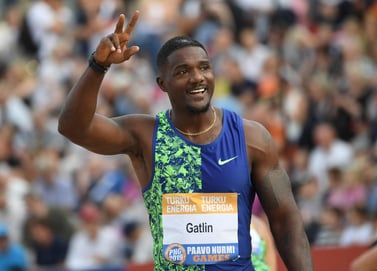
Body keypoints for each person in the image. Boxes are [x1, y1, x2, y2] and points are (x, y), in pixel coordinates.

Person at [58, 10, 313, 270]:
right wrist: (98, 65)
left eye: (204, 67)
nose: (197, 77)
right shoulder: (145, 135)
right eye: (182, 72)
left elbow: (285, 221)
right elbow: (73, 127)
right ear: (162, 83)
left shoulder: (251, 138)